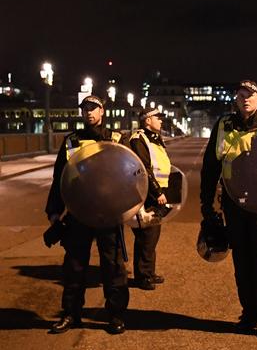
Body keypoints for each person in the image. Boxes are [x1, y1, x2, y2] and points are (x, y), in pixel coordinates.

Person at [200, 80, 257, 343]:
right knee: (242, 260)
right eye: (241, 95)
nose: (246, 100)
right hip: (234, 202)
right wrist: (207, 205)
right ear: (236, 99)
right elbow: (210, 167)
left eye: (250, 96)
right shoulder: (224, 125)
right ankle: (251, 313)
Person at [46, 95, 129, 335]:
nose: (88, 113)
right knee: (74, 265)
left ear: (103, 111)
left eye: (93, 109)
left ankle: (115, 316)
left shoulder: (116, 138)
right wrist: (54, 211)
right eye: (85, 109)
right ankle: (71, 314)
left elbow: (129, 174)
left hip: (108, 212)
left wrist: (132, 208)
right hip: (79, 211)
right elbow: (60, 178)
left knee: (112, 266)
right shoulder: (71, 141)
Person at [128, 107, 170, 290]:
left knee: (152, 235)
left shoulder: (154, 139)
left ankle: (149, 272)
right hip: (145, 194)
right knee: (146, 236)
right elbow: (144, 168)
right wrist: (157, 191)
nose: (161, 120)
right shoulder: (139, 139)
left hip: (152, 193)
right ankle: (142, 276)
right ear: (147, 121)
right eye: (157, 118)